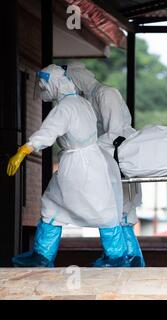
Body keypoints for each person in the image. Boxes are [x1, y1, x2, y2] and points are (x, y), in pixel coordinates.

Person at [7, 64, 129, 267]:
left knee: (56, 204)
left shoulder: (63, 108)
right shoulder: (82, 102)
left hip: (76, 165)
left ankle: (44, 256)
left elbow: (48, 132)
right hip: (94, 160)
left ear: (52, 84)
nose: (43, 89)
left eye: (43, 85)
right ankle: (115, 256)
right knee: (96, 206)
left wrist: (24, 150)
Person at [65, 62, 145, 267]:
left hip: (120, 157)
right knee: (114, 211)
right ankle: (126, 261)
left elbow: (116, 132)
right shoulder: (88, 99)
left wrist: (86, 147)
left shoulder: (106, 93)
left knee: (121, 211)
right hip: (107, 158)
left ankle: (125, 260)